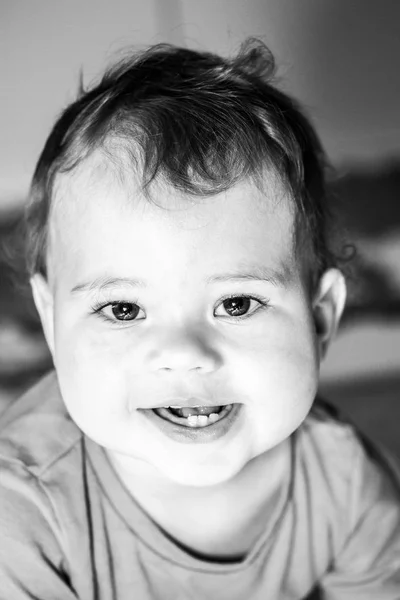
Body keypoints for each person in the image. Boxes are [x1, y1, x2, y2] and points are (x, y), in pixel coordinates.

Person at [0, 40, 399, 600]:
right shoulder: (21, 518)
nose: (184, 352)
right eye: (122, 309)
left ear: (320, 319)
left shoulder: (349, 485)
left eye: (236, 303)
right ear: (50, 321)